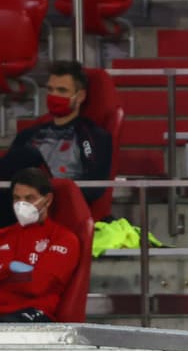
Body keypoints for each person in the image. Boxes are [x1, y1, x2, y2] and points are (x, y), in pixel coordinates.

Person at [0, 60, 112, 226]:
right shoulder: (30, 134)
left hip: (58, 204)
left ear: (80, 96)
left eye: (62, 90)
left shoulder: (93, 136)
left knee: (29, 155)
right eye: (51, 90)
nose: (54, 96)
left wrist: (48, 193)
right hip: (18, 205)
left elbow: (94, 188)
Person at [0, 168, 80, 322]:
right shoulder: (3, 235)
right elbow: (28, 281)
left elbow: (37, 286)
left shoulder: (64, 239)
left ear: (48, 200)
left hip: (32, 315)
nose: (21, 205)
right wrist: (14, 269)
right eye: (17, 198)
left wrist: (6, 268)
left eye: (29, 198)